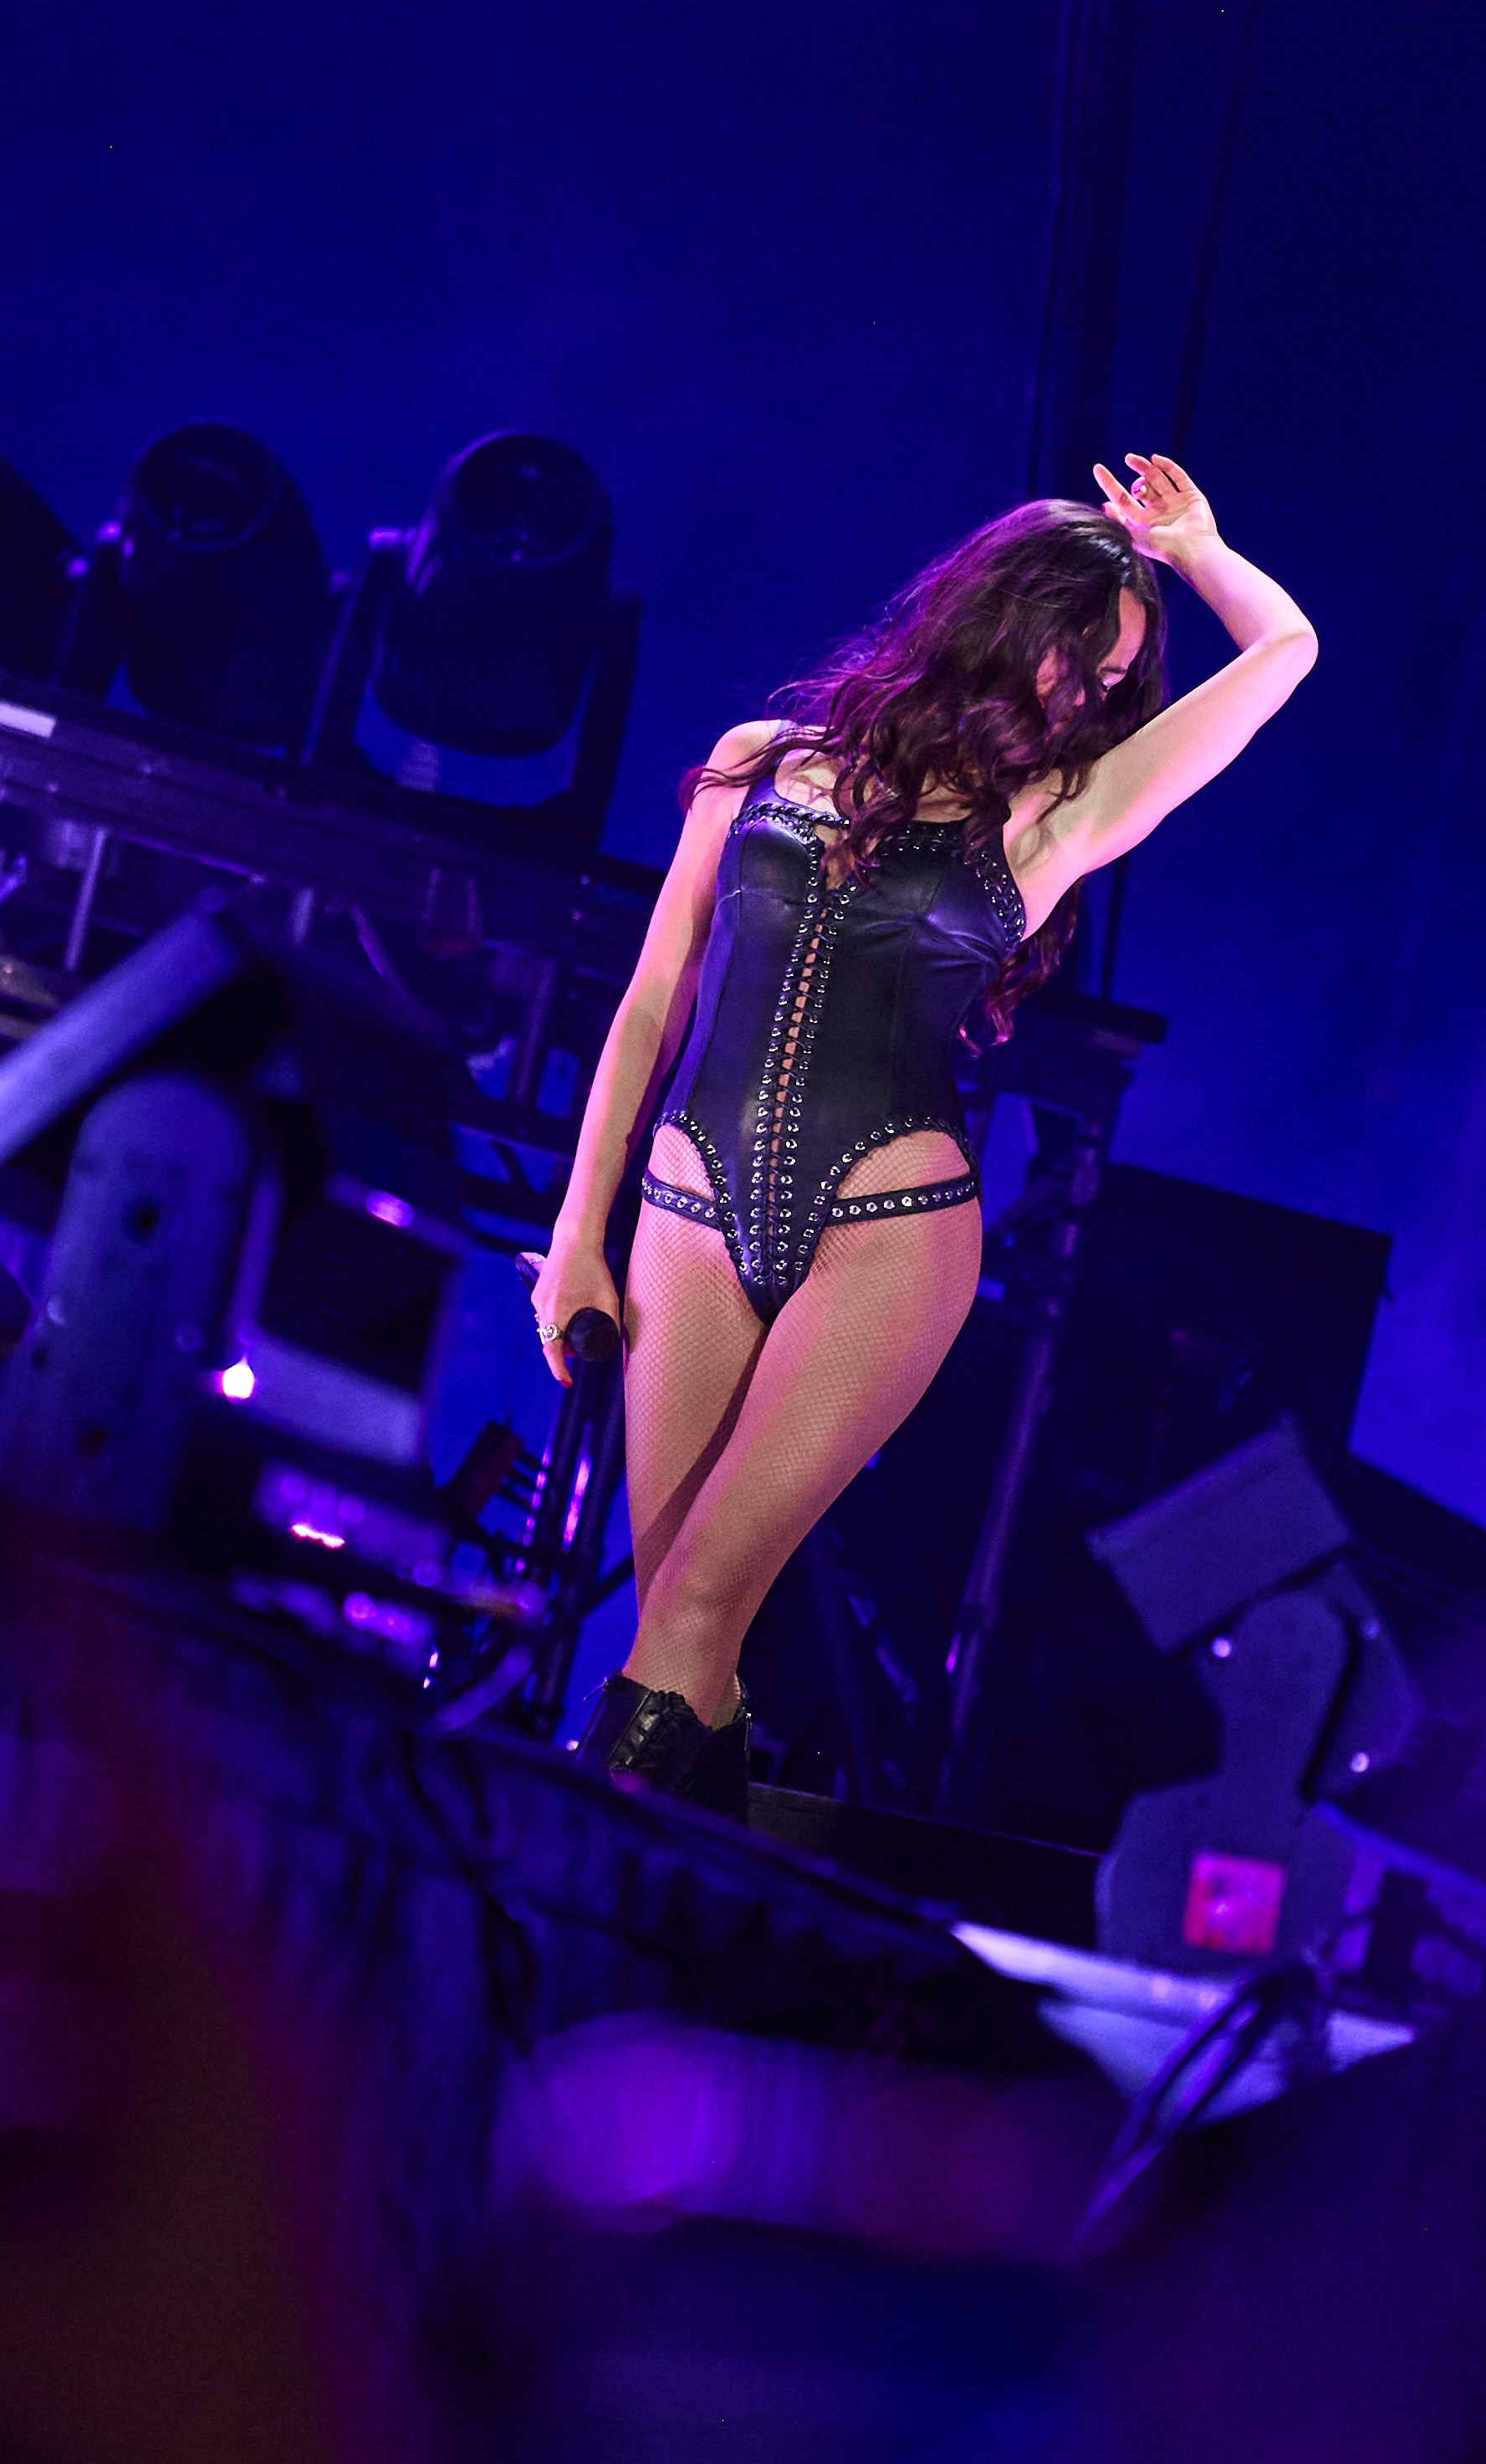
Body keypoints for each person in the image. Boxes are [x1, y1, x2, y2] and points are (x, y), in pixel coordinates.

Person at [528, 456, 1318, 1804]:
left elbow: (1285, 651)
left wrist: (1195, 553)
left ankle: (551, 1873)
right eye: (1078, 655)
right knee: (679, 1623)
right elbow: (654, 1000)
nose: (1088, 696)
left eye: (1114, 680)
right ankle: (697, 1895)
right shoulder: (760, 762)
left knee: (696, 1601)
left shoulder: (1054, 818)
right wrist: (574, 1237)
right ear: (1004, 614)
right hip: (685, 1209)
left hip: (886, 1233)